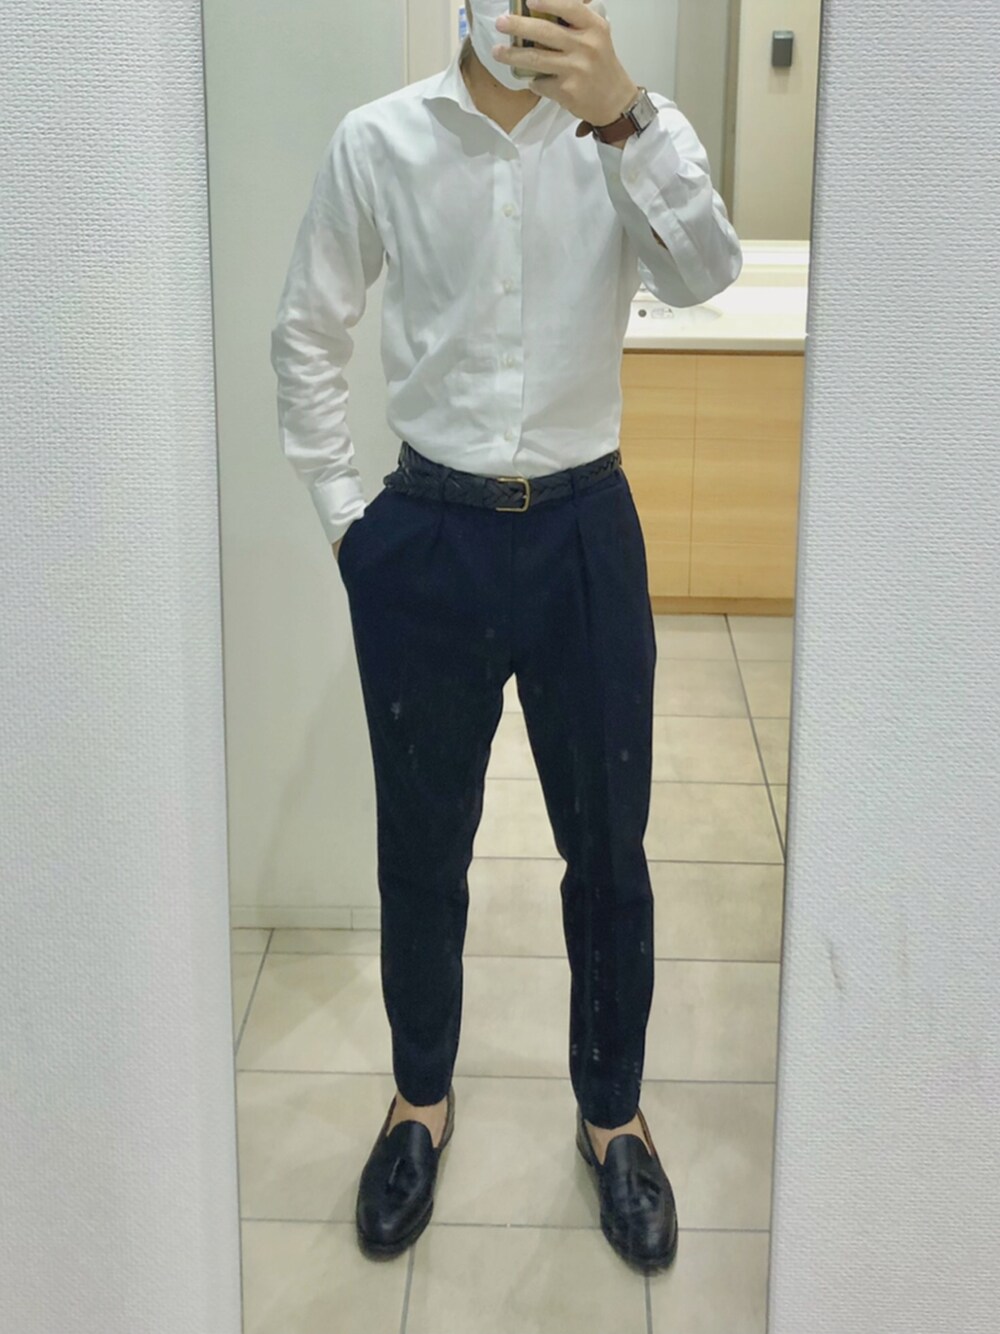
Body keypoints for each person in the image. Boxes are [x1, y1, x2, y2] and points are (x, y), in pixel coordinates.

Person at [269, 0, 742, 1274]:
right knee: (421, 849)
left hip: (588, 526)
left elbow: (705, 274)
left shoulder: (633, 130)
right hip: (428, 530)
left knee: (610, 849)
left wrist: (623, 118)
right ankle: (419, 1097)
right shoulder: (378, 140)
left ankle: (611, 1115)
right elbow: (307, 330)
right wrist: (349, 524)